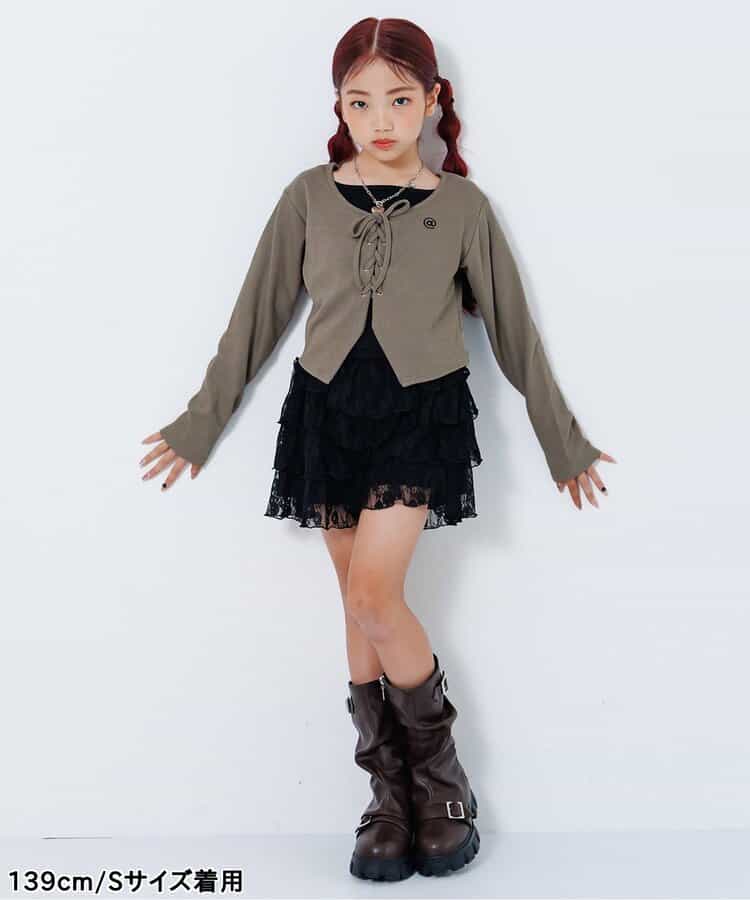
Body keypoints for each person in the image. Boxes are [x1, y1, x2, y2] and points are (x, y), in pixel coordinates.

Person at [139, 16, 614, 882]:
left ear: (432, 100)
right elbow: (255, 317)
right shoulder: (307, 197)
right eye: (359, 102)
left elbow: (514, 332)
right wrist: (199, 422)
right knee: (355, 608)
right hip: (325, 412)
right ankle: (388, 799)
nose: (381, 119)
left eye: (399, 99)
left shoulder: (463, 207)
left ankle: (443, 783)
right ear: (339, 107)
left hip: (417, 417)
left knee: (373, 595)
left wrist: (563, 441)